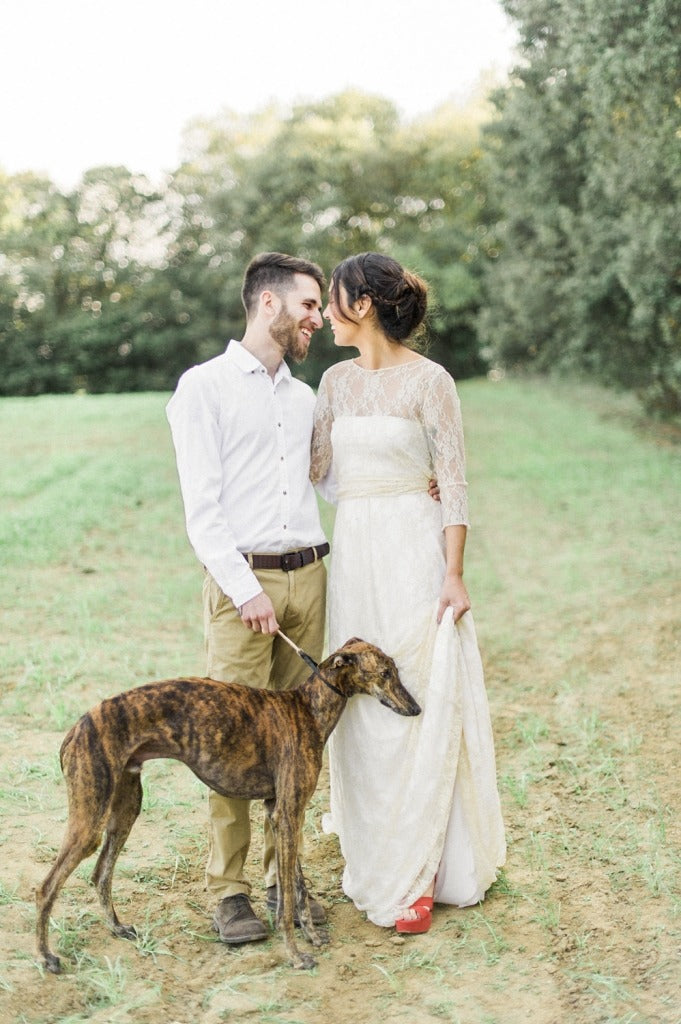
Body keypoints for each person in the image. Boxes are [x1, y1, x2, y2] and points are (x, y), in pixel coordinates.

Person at [310, 252, 506, 933]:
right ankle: (376, 849)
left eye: (330, 298)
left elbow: (452, 481)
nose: (324, 311)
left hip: (414, 550)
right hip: (356, 552)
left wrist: (453, 572)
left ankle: (422, 869)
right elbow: (310, 468)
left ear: (360, 303)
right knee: (359, 704)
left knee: (418, 691)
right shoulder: (332, 383)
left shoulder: (432, 381)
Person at [166, 252, 330, 945]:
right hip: (245, 586)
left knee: (298, 747)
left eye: (318, 309)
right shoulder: (201, 388)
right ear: (269, 304)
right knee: (230, 742)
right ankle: (230, 891)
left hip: (311, 579)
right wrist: (244, 590)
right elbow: (201, 509)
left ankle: (283, 878)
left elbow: (329, 484)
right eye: (309, 306)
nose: (317, 320)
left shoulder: (304, 397)